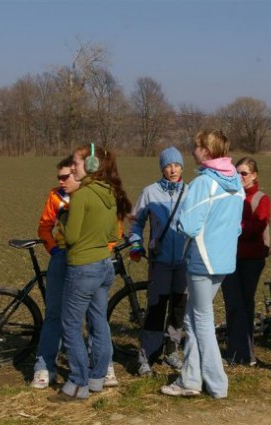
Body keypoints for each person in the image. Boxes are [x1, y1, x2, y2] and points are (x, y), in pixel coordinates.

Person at [160, 129, 244, 399]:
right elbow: (237, 226)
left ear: (206, 152)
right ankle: (191, 380)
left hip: (201, 259)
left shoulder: (203, 183)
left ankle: (218, 383)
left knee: (202, 320)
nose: (193, 149)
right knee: (193, 319)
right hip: (224, 259)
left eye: (196, 146)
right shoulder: (236, 182)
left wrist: (183, 226)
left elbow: (189, 224)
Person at [48, 143, 131, 402]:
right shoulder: (110, 192)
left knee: (70, 325)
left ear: (93, 165)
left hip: (82, 268)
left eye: (76, 163)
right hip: (104, 266)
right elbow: (110, 235)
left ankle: (78, 382)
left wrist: (61, 222)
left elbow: (70, 237)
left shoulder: (82, 195)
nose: (72, 168)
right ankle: (97, 379)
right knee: (99, 322)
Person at [129, 147, 188, 377]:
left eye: (177, 165)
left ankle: (172, 350)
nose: (173, 170)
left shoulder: (190, 192)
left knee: (178, 309)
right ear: (162, 168)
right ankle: (147, 356)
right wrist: (136, 243)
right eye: (168, 165)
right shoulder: (150, 193)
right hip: (160, 262)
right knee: (156, 309)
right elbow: (136, 222)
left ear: (182, 167)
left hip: (183, 262)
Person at [30, 156, 80, 389]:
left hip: (84, 260)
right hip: (61, 259)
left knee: (88, 314)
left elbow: (113, 228)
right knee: (54, 314)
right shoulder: (55, 196)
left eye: (65, 177)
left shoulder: (90, 194)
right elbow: (44, 226)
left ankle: (97, 365)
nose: (60, 181)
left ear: (77, 173)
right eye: (58, 177)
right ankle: (43, 367)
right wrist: (54, 250)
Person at [221, 157, 270, 366]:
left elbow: (254, 229)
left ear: (254, 175)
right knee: (232, 304)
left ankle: (245, 353)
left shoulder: (261, 198)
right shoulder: (231, 196)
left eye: (244, 173)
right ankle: (235, 350)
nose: (240, 177)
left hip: (251, 259)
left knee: (244, 304)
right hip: (229, 256)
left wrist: (233, 225)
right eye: (237, 173)